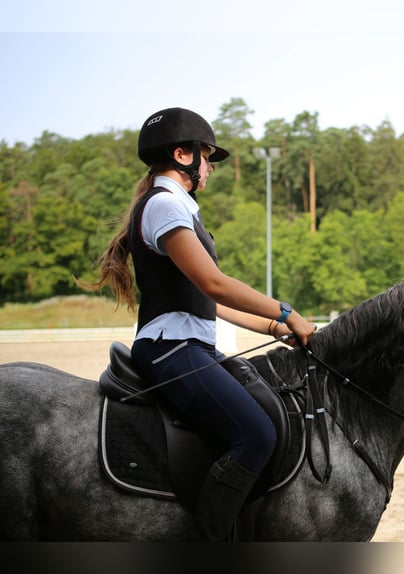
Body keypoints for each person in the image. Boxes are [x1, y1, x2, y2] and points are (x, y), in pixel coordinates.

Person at [83, 107, 316, 540]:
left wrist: (271, 330)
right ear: (182, 155)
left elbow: (207, 299)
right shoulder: (164, 206)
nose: (210, 167)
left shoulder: (174, 208)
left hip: (192, 348)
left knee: (269, 407)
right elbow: (215, 282)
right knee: (256, 436)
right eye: (206, 157)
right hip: (171, 350)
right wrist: (286, 312)